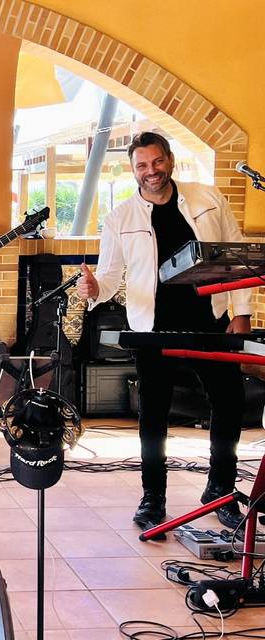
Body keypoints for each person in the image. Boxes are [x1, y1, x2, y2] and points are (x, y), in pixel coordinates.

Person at [77, 131, 251, 530]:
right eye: (142, 165)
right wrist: (93, 290)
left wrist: (242, 313)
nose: (150, 172)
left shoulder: (208, 199)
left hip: (211, 321)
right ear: (133, 170)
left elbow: (236, 252)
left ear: (169, 160)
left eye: (156, 162)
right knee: (153, 414)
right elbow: (108, 276)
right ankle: (153, 496)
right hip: (152, 326)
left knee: (228, 403)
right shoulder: (120, 216)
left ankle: (221, 491)